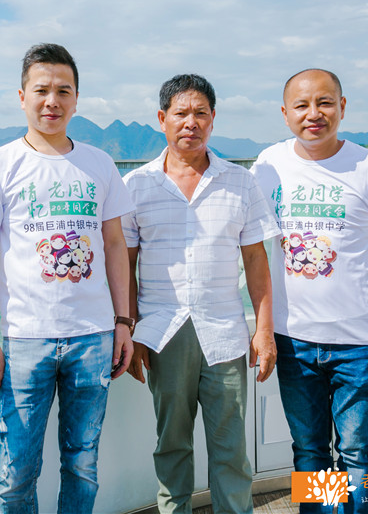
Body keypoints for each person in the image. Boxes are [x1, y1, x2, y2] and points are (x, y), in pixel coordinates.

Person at [0, 43, 135, 514]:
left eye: (63, 91)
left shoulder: (99, 164)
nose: (52, 101)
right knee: (16, 473)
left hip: (93, 336)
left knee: (82, 465)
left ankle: (321, 496)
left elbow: (115, 245)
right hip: (24, 339)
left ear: (76, 100)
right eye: (41, 90)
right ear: (22, 97)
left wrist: (122, 323)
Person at [250, 69, 368, 514]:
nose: (313, 114)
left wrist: (366, 292)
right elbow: (249, 239)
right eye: (301, 105)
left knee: (357, 451)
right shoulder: (269, 165)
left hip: (358, 342)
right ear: (285, 113)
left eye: (324, 103)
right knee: (311, 451)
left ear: (342, 107)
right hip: (293, 338)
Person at [122, 73, 280, 514]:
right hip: (162, 332)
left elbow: (256, 261)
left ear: (213, 119)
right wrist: (130, 332)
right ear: (162, 119)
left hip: (225, 331)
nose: (190, 122)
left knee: (231, 447)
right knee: (171, 444)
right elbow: (125, 266)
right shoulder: (136, 185)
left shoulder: (240, 182)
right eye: (181, 113)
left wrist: (264, 331)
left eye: (200, 113)